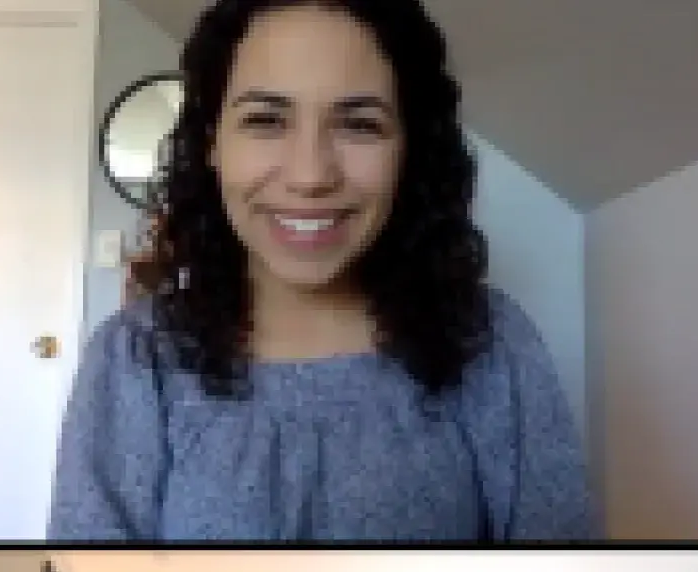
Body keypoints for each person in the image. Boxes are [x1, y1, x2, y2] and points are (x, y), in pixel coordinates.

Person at [49, 0, 596, 542]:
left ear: (409, 150)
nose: (310, 176)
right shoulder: (133, 359)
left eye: (360, 125)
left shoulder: (493, 344)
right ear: (212, 142)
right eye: (265, 120)